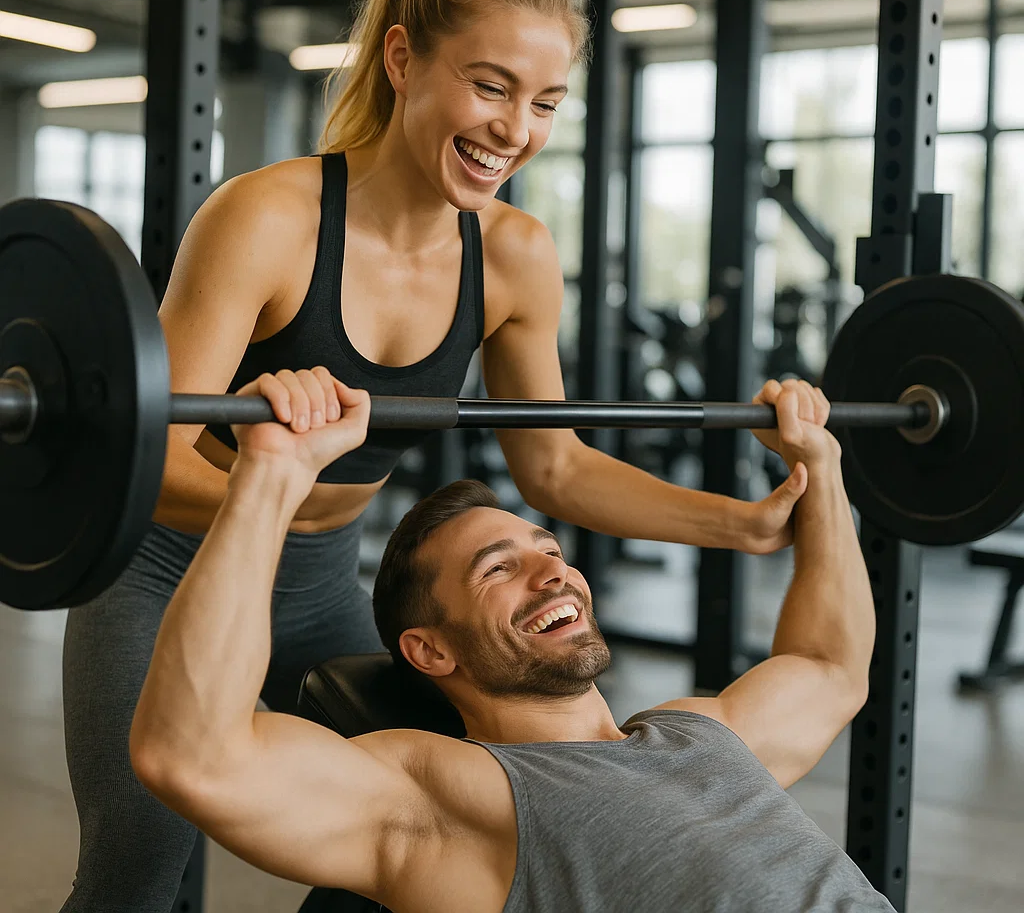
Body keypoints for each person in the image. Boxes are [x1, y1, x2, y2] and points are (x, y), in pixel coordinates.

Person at [60, 0, 809, 913]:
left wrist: (741, 522)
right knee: (136, 873)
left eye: (545, 101)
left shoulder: (513, 253)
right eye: (490, 84)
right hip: (161, 573)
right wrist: (271, 487)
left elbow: (555, 470)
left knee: (444, 829)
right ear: (403, 58)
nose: (515, 129)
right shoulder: (266, 220)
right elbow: (141, 464)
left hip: (328, 584)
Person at [129, 374, 895, 913]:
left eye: (551, 551)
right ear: (430, 650)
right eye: (500, 568)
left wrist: (819, 466)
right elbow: (192, 755)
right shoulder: (447, 799)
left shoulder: (701, 732)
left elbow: (831, 666)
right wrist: (271, 474)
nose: (550, 572)